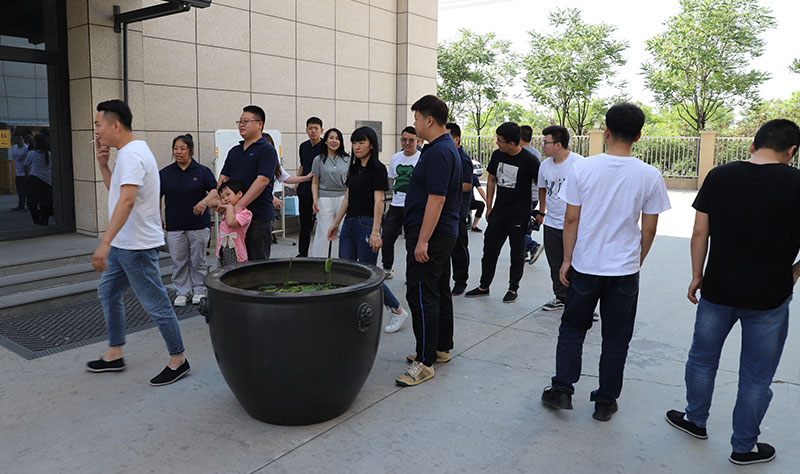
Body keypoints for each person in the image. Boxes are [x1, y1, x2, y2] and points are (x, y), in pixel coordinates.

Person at [665, 119, 800, 466]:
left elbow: (699, 232)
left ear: (753, 145)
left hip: (718, 289)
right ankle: (743, 446)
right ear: (791, 151)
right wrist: (794, 272)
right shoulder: (796, 183)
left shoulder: (719, 176)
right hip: (770, 297)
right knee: (756, 376)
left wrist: (697, 275)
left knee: (702, 359)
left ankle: (695, 419)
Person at [540, 103, 670, 421]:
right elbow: (649, 228)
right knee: (616, 337)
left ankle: (562, 389)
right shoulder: (650, 175)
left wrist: (567, 259)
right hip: (624, 271)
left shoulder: (583, 168)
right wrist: (637, 259)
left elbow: (571, 219)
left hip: (585, 265)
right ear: (638, 136)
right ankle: (605, 401)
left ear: (607, 131)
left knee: (573, 328)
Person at [88, 99, 189, 386]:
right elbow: (117, 193)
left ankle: (178, 359)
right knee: (108, 291)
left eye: (98, 124)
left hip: (137, 246)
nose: (96, 131)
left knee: (156, 303)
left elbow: (128, 201)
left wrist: (105, 241)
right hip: (124, 244)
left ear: (115, 125)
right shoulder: (127, 153)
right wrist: (103, 166)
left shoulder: (132, 154)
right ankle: (114, 354)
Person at [396, 95, 462, 387]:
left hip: (432, 233)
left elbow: (436, 200)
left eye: (416, 119)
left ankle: (425, 362)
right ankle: (440, 348)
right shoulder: (443, 147)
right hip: (441, 231)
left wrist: (422, 240)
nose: (414, 124)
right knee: (438, 289)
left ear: (429, 120)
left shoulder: (438, 152)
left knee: (421, 293)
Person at [326, 127, 410, 334]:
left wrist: (375, 231)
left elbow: (379, 201)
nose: (357, 146)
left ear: (371, 144)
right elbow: (348, 197)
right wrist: (336, 223)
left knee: (368, 275)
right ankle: (350, 313)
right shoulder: (354, 168)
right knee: (346, 271)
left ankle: (397, 310)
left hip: (366, 224)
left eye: (361, 142)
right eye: (354, 142)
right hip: (349, 224)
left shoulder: (378, 169)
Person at [464, 122, 540, 304]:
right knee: (489, 250)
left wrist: (541, 211)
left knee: (517, 253)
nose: (497, 143)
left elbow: (542, 186)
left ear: (512, 143)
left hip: (519, 214)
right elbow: (491, 179)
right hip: (499, 211)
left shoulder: (530, 161)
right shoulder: (498, 155)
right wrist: (489, 206)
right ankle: (484, 286)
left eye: (500, 140)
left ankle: (513, 289)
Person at [159, 134, 217, 307]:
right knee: (179, 261)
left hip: (198, 224)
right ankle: (182, 292)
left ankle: (199, 290)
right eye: (175, 148)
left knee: (198, 260)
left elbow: (215, 190)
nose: (178, 152)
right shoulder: (165, 173)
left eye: (182, 148)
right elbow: (156, 197)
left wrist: (204, 202)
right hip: (174, 225)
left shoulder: (202, 171)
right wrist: (158, 219)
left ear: (191, 151)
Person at [218, 105, 279, 260]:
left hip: (258, 217)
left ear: (259, 124)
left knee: (257, 263)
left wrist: (240, 205)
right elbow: (224, 178)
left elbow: (262, 181)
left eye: (246, 121)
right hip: (234, 219)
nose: (241, 125)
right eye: (239, 121)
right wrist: (221, 201)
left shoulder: (267, 150)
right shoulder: (235, 151)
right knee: (235, 261)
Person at [537, 125, 583, 311]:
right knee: (555, 263)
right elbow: (542, 189)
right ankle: (561, 297)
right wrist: (542, 212)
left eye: (546, 142)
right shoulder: (544, 165)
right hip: (552, 223)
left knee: (577, 265)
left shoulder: (578, 163)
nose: (543, 146)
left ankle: (582, 303)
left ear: (558, 144)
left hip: (575, 224)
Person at [381, 126, 421, 279]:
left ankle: (412, 275)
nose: (407, 143)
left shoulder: (422, 158)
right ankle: (387, 268)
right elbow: (392, 179)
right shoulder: (395, 157)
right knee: (387, 238)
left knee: (411, 243)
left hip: (414, 207)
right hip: (396, 205)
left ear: (417, 141)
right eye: (404, 140)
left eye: (411, 140)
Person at [445, 122, 474, 296]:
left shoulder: (463, 159)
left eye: (447, 137)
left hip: (458, 212)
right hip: (446, 211)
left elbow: (467, 185)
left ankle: (460, 281)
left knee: (459, 250)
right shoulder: (447, 155)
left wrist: (444, 186)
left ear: (457, 139)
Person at [310, 128, 348, 258]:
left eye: (337, 138)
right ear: (325, 141)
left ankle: (344, 260)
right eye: (331, 138)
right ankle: (319, 260)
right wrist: (315, 200)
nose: (334, 141)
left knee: (344, 230)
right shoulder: (318, 159)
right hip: (324, 198)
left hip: (344, 197)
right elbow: (315, 182)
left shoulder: (347, 159)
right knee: (324, 230)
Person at [297, 117, 325, 257]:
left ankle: (321, 254)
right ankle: (302, 253)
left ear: (321, 130)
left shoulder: (326, 146)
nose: (313, 131)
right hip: (305, 189)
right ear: (306, 130)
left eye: (316, 128)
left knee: (323, 224)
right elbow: (302, 165)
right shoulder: (303, 146)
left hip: (322, 190)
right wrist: (297, 182)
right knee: (305, 224)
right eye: (310, 128)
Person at [520, 125, 544, 265]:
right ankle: (523, 252)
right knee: (525, 224)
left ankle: (532, 245)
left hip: (524, 195)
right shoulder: (536, 153)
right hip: (534, 195)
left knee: (517, 225)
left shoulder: (521, 153)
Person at [216, 180, 252, 266]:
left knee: (237, 272)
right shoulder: (226, 212)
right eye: (222, 197)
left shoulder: (245, 213)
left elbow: (231, 223)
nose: (225, 199)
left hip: (237, 253)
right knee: (222, 271)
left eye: (228, 194)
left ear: (239, 194)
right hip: (222, 251)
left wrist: (229, 208)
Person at [26, 133, 53, 226]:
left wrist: (28, 176)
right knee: (45, 203)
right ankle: (44, 221)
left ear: (36, 143)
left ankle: (37, 218)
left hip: (34, 179)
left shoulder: (31, 153)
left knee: (31, 202)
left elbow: (26, 166)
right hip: (47, 181)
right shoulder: (49, 154)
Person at [11, 133, 29, 211]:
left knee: (25, 190)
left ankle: (27, 206)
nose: (18, 140)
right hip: (17, 172)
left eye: (20, 139)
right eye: (17, 139)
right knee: (19, 190)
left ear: (23, 139)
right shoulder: (14, 147)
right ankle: (21, 205)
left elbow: (28, 161)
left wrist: (28, 173)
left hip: (25, 173)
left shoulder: (26, 148)